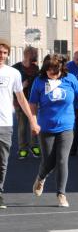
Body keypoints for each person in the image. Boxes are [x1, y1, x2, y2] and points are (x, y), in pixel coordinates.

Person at [29, 53, 78, 208]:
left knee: (62, 160)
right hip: (46, 127)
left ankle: (61, 194)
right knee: (49, 161)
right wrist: (34, 122)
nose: (53, 74)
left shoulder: (69, 78)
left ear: (61, 69)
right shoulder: (39, 81)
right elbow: (32, 104)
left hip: (66, 126)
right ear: (45, 69)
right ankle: (41, 177)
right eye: (50, 71)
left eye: (56, 71)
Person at [0, 39, 40, 209]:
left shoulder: (13, 73)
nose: (1, 56)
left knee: (2, 162)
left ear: (8, 55)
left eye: (4, 53)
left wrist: (33, 121)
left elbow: (21, 98)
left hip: (4, 123)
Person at [12, 45, 41, 159]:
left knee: (34, 124)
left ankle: (34, 146)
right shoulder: (16, 68)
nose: (36, 58)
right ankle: (22, 149)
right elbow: (9, 86)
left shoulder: (36, 68)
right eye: (34, 55)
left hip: (33, 102)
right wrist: (21, 86)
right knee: (22, 126)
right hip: (20, 103)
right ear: (27, 55)